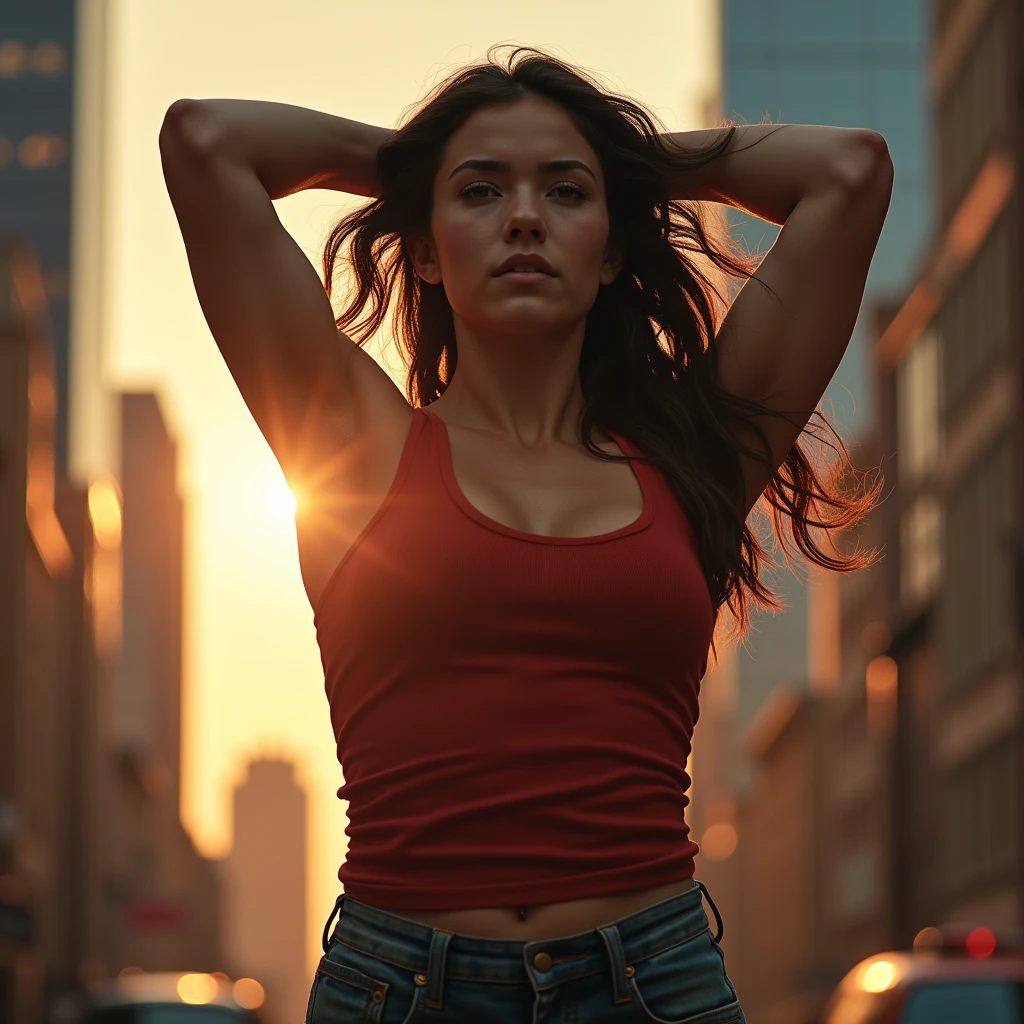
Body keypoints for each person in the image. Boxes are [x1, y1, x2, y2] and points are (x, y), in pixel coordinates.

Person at [160, 44, 891, 1024]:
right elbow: (204, 143)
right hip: (399, 985)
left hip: (652, 980)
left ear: (614, 246)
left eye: (563, 194)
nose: (522, 217)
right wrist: (425, 160)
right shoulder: (353, 441)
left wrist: (621, 160)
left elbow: (848, 173)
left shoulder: (696, 455)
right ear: (422, 246)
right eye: (478, 193)